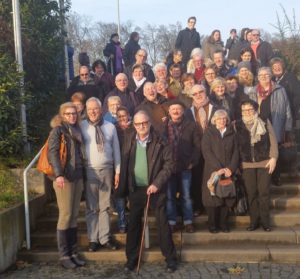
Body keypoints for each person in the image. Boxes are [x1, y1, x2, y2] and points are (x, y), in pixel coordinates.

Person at [119, 110, 177, 273]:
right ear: (134, 125)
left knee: (162, 224)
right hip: (136, 189)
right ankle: (131, 260)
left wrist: (157, 183)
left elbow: (169, 165)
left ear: (150, 123)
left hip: (155, 189)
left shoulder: (161, 140)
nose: (142, 126)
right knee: (133, 226)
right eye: (138, 124)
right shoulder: (129, 139)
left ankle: (170, 259)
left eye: (144, 123)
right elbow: (124, 163)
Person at [80, 97, 121, 252]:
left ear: (101, 109)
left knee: (105, 206)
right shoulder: (82, 126)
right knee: (92, 207)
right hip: (89, 170)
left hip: (107, 170)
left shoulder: (110, 127)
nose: (93, 112)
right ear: (86, 110)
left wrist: (117, 171)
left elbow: (116, 150)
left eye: (95, 108)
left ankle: (104, 237)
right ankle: (93, 239)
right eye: (89, 109)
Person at [48, 102, 85, 269]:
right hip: (65, 178)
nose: (72, 116)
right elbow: (53, 152)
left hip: (77, 176)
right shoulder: (58, 130)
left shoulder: (76, 130)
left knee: (74, 214)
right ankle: (64, 255)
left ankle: (73, 252)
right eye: (68, 114)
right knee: (66, 214)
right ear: (62, 115)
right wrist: (59, 174)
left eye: (74, 113)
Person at [235, 100, 278, 231]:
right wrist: (237, 164)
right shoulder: (236, 124)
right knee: (251, 193)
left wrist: (274, 158)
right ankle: (254, 222)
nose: (247, 112)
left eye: (250, 109)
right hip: (246, 164)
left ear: (255, 110)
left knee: (264, 193)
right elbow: (234, 146)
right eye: (244, 110)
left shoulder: (264, 121)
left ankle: (265, 222)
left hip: (265, 163)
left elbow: (273, 139)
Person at [248, 67, 293, 186]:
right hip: (259, 126)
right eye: (261, 75)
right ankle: (266, 178)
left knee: (275, 150)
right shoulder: (252, 91)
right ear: (257, 77)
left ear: (271, 76)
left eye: (266, 75)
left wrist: (288, 128)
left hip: (275, 124)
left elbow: (287, 109)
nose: (263, 77)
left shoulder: (280, 89)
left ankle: (276, 177)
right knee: (263, 151)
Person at [166, 100, 201, 233]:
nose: (176, 111)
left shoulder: (191, 125)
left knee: (186, 195)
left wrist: (193, 161)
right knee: (170, 196)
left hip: (186, 166)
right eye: (173, 109)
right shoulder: (163, 126)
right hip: (169, 167)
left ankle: (188, 221)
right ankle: (171, 221)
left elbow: (197, 146)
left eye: (178, 109)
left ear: (183, 111)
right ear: (169, 112)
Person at [201, 109, 239, 233]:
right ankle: (212, 225)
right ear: (214, 120)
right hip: (213, 171)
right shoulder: (209, 133)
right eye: (219, 118)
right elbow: (206, 151)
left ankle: (224, 224)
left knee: (226, 197)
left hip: (228, 171)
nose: (222, 121)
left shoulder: (232, 133)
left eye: (224, 118)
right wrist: (218, 168)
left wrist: (231, 168)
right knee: (213, 198)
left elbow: (236, 152)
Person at [270, 57, 300, 128]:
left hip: (291, 112)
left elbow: (298, 95)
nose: (277, 68)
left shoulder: (291, 77)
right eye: (274, 67)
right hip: (278, 113)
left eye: (279, 66)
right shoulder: (272, 80)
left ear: (283, 67)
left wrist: (291, 108)